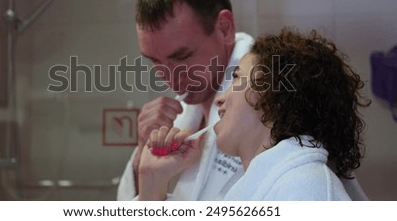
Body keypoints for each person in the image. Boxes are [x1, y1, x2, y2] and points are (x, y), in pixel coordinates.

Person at [137, 27, 371, 200]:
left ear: (274, 95)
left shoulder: (305, 188)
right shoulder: (268, 188)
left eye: (237, 78)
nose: (220, 98)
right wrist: (151, 181)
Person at [117, 0, 254, 200]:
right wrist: (143, 155)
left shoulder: (267, 110)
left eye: (182, 57)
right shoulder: (178, 120)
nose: (169, 78)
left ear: (224, 28)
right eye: (155, 61)